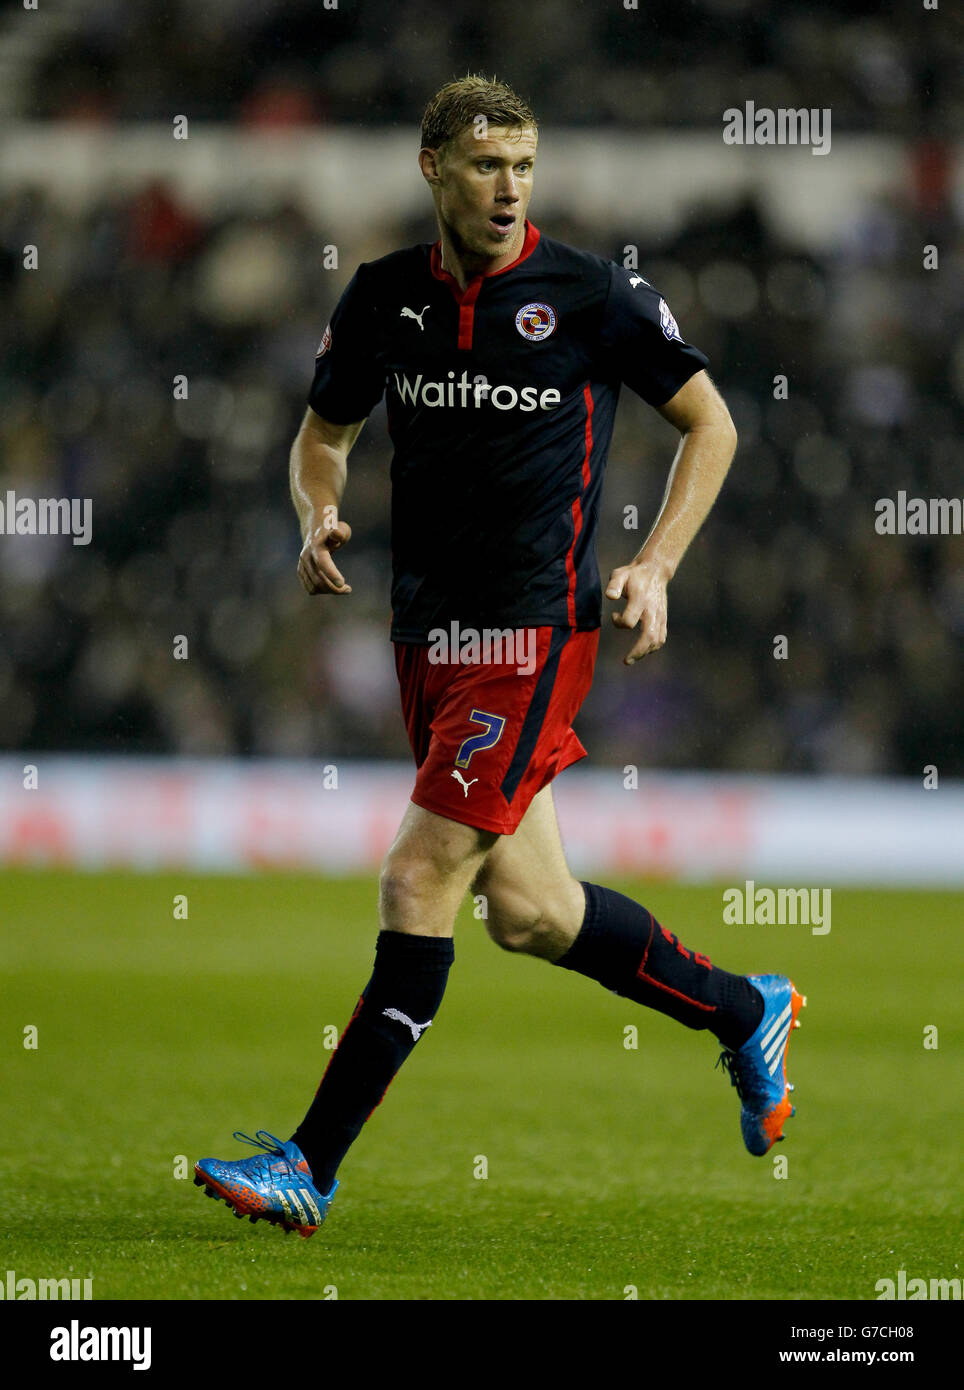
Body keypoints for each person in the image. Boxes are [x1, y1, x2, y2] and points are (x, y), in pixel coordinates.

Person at [195, 75, 805, 1238]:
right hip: (425, 632)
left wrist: (657, 563)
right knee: (529, 910)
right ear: (433, 168)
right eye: (485, 165)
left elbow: (712, 422)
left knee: (420, 878)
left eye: (523, 164)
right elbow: (321, 434)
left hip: (531, 637)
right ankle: (743, 1008)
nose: (509, 186)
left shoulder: (589, 292)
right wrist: (313, 510)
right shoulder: (383, 298)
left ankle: (306, 1166)